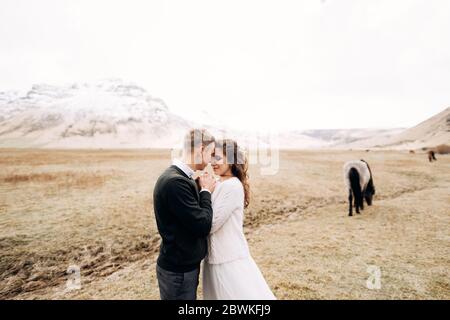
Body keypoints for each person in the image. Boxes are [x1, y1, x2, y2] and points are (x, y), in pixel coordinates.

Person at [203, 139, 276, 300]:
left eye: (218, 157)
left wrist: (205, 192)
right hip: (215, 257)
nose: (212, 162)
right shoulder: (220, 182)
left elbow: (211, 224)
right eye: (211, 157)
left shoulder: (232, 186)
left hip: (228, 259)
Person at [153, 128, 216, 300]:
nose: (211, 160)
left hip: (182, 267)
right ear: (201, 149)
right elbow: (202, 226)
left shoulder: (182, 178)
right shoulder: (175, 182)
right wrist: (205, 192)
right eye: (210, 153)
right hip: (178, 272)